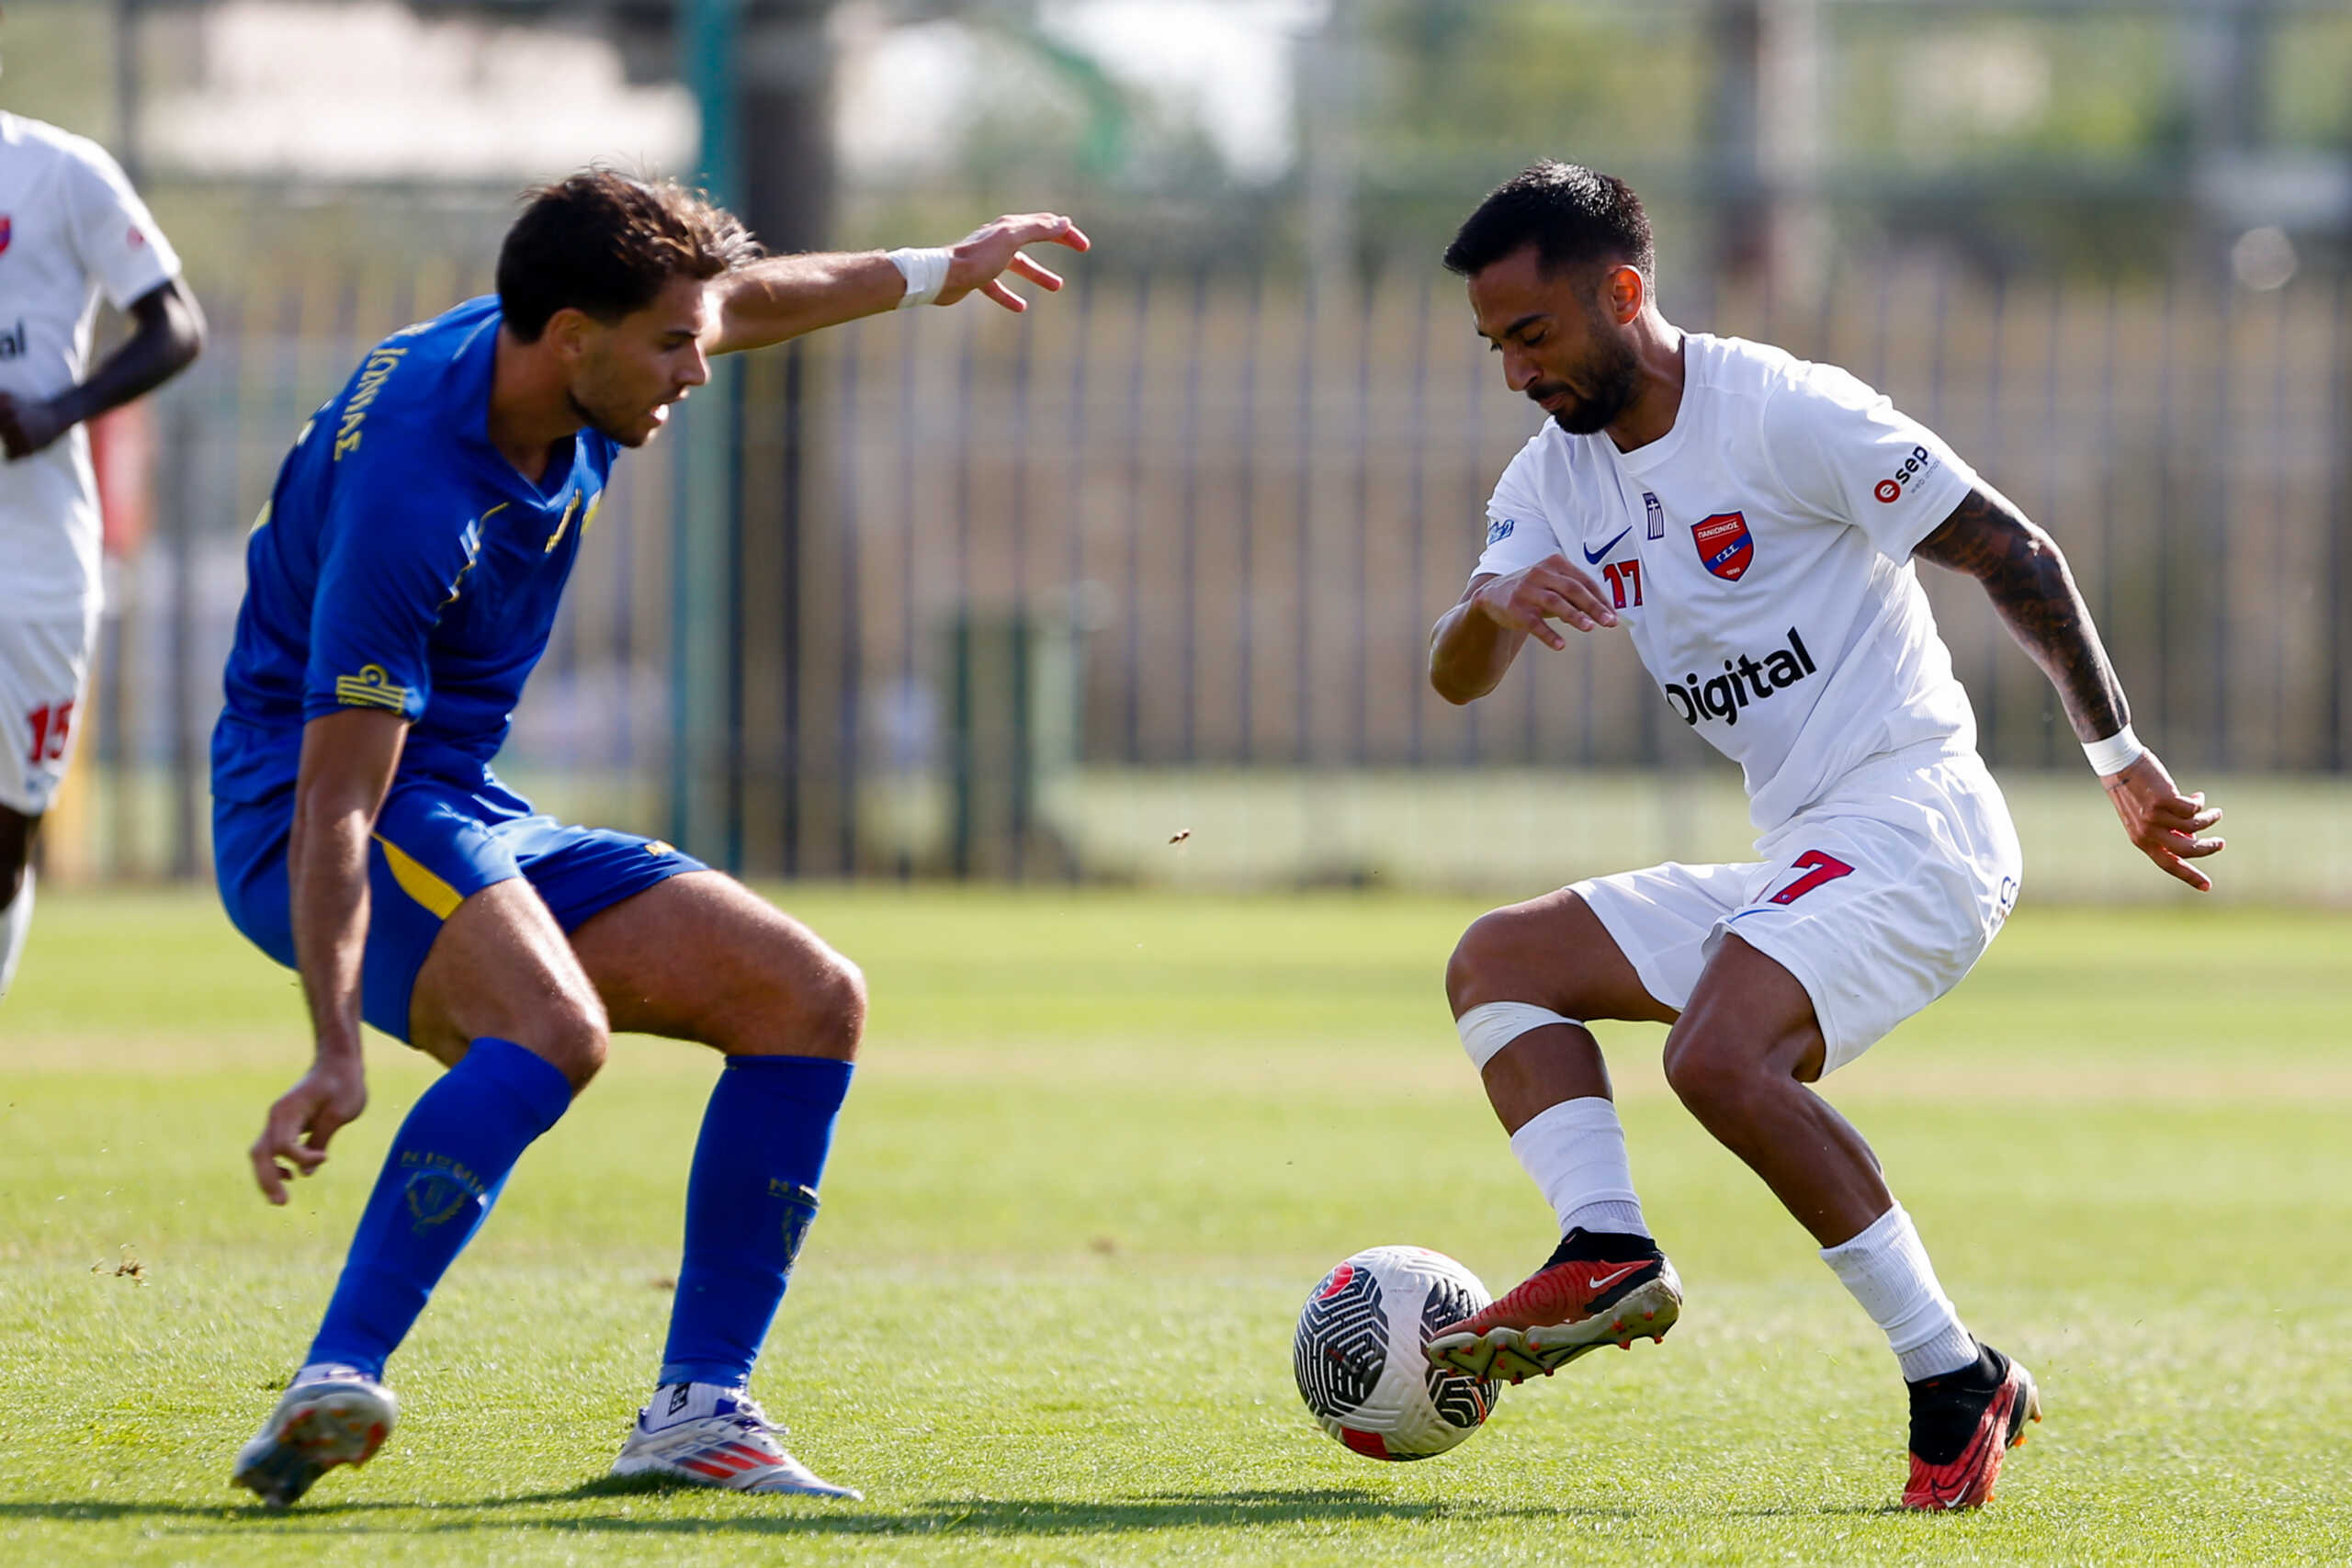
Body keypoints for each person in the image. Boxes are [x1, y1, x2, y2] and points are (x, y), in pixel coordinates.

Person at [212, 170, 1087, 1508]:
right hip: (312, 804)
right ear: (574, 337)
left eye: (696, 335)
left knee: (805, 997)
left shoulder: (572, 354)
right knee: (553, 1033)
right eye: (675, 345)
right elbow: (339, 799)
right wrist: (334, 1041)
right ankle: (336, 1371)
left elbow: (751, 298)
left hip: (452, 794)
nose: (703, 363)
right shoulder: (416, 503)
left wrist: (936, 269)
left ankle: (697, 1411)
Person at [1420, 163, 2222, 1512]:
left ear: (1622, 293)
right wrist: (1496, 599)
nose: (1513, 372)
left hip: (1919, 820)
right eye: (1493, 344)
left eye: (1533, 334)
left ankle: (1950, 1374)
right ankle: (1606, 1243)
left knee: (1718, 1054)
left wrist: (2117, 754)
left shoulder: (1784, 410)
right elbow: (1454, 672)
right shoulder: (1549, 476)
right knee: (1500, 961)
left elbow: (2015, 551)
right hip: (1804, 848)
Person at [0, 90, 205, 1000]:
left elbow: (177, 326)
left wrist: (55, 412)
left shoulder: (59, 170)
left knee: (10, 830)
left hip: (34, 563)